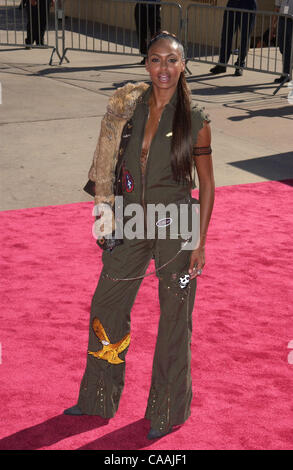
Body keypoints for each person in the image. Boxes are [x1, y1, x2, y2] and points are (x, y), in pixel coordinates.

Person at [64, 31, 215, 440]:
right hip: (132, 220)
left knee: (174, 320)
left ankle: (168, 411)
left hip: (178, 226)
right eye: (154, 59)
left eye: (171, 60)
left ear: (183, 65)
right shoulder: (127, 110)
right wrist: (105, 213)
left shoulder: (196, 120)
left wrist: (199, 241)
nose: (162, 68)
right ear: (145, 64)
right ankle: (98, 397)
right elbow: (109, 165)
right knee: (106, 305)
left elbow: (208, 185)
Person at [210, 0, 257, 76]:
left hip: (248, 4)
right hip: (232, 3)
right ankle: (222, 64)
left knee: (245, 37)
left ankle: (239, 65)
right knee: (226, 35)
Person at [135, 0, 162, 64]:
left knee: (156, 33)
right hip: (141, 5)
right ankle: (145, 56)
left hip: (154, 6)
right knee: (141, 32)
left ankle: (156, 56)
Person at [273, 0, 293, 83]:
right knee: (283, 47)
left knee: (290, 49)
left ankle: (286, 74)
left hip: (292, 20)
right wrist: (273, 24)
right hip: (282, 19)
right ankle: (286, 74)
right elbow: (277, 7)